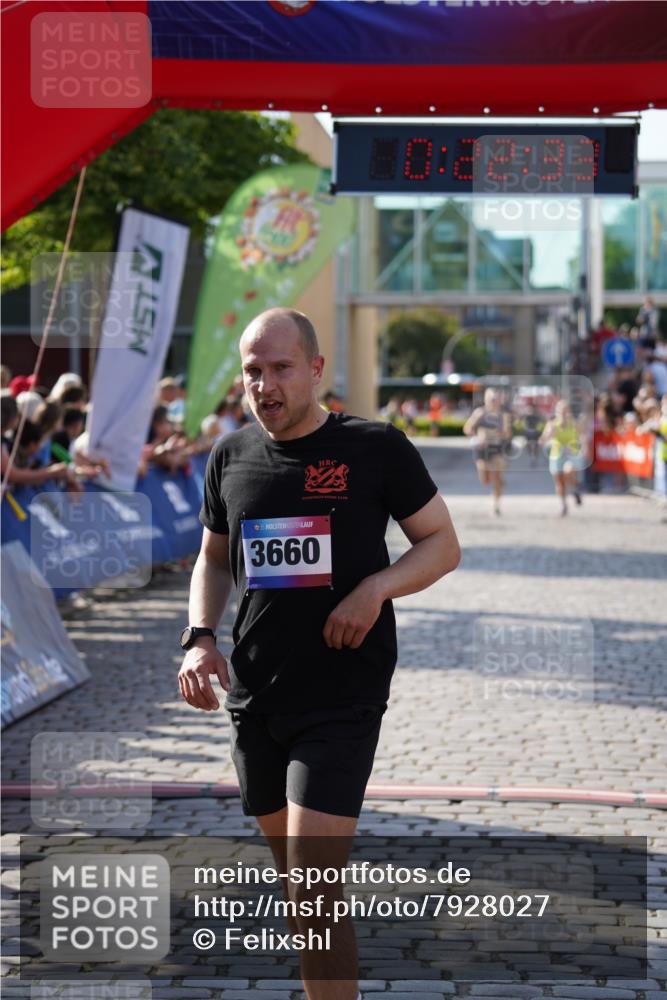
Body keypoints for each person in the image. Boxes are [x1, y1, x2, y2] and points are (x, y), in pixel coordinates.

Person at [178, 307, 461, 1000]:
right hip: (255, 697)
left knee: (312, 878)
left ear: (314, 369)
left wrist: (374, 589)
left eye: (279, 368)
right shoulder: (230, 455)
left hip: (342, 694)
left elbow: (441, 546)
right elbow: (214, 560)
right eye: (252, 372)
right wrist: (199, 636)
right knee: (300, 891)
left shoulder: (374, 447)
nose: (265, 385)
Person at [463, 388, 512, 515]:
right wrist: (477, 437)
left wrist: (503, 434)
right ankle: (498, 482)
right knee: (485, 479)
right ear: (486, 399)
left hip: (496, 448)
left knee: (497, 476)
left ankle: (496, 505)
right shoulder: (480, 413)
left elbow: (508, 434)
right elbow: (467, 428)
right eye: (491, 399)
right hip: (482, 448)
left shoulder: (503, 415)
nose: (494, 401)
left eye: (496, 399)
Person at [540, 400, 585, 516]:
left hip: (571, 455)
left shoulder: (574, 423)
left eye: (565, 411)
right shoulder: (552, 425)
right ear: (556, 412)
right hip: (557, 455)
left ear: (569, 412)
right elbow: (542, 440)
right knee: (560, 483)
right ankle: (563, 505)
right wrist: (549, 436)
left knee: (568, 470)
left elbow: (581, 436)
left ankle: (575, 489)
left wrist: (577, 446)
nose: (563, 414)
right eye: (560, 411)